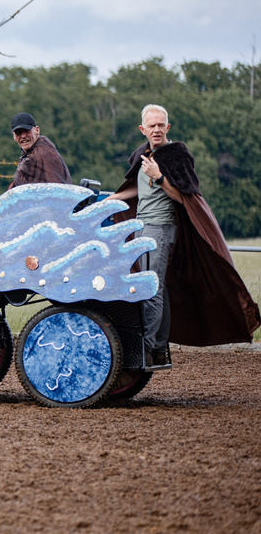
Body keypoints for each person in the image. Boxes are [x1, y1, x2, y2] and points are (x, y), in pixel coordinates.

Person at [107, 104, 259, 365]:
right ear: (142, 129)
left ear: (168, 127)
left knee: (151, 289)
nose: (156, 129)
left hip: (162, 229)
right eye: (151, 126)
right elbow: (137, 189)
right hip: (141, 228)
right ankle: (155, 348)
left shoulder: (176, 155)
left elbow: (183, 196)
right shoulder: (142, 156)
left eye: (160, 125)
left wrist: (160, 176)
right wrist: (109, 201)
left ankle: (148, 348)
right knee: (156, 288)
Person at [0, 112, 71, 215]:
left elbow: (15, 196)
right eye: (19, 133)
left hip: (53, 213)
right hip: (46, 209)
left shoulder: (38, 155)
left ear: (37, 130)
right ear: (14, 137)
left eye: (26, 131)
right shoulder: (41, 146)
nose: (23, 136)